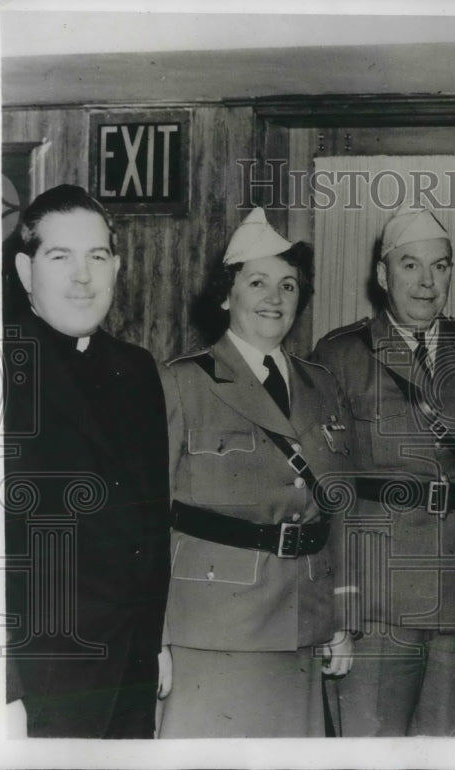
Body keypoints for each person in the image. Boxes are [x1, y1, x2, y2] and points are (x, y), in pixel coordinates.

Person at [312, 208, 455, 736]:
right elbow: (327, 485)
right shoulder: (339, 356)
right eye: (410, 266)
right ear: (382, 276)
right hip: (377, 593)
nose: (427, 282)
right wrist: (339, 594)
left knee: (450, 749)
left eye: (440, 266)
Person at [156, 208, 357, 738]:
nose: (275, 297)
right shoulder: (183, 382)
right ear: (227, 295)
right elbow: (149, 518)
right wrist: (153, 638)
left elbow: (339, 509)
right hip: (212, 623)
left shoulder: (322, 386)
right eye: (258, 282)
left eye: (288, 285)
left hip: (302, 619)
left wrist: (337, 616)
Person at [4, 184, 172, 738]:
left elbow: (151, 523)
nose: (83, 276)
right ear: (26, 272)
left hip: (130, 669)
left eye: (97, 257)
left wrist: (155, 643)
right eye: (60, 257)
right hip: (38, 679)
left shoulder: (138, 368)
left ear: (117, 268)